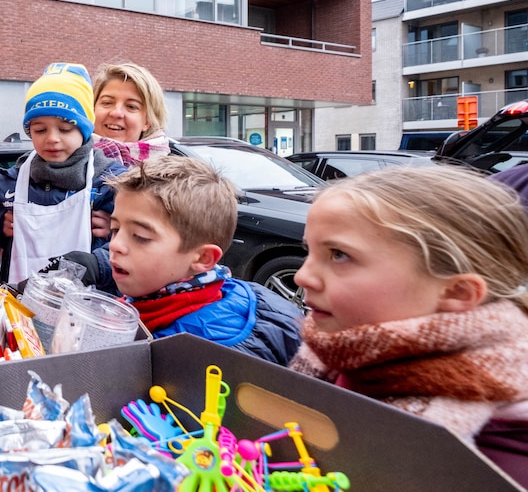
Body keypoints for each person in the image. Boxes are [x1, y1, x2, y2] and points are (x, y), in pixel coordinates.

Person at [291, 166, 528, 486]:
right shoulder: (342, 351)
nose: (302, 276)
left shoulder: (490, 459)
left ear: (456, 293)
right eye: (309, 251)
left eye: (339, 255)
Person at [95, 155, 302, 364]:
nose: (115, 245)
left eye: (140, 236)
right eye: (115, 229)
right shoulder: (149, 301)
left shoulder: (209, 353)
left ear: (203, 258)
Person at [0, 62, 126, 286]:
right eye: (39, 130)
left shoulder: (110, 182)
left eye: (65, 129)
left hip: (86, 311)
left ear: (85, 130)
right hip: (19, 311)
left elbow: (135, 249)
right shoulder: (12, 183)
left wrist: (104, 249)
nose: (52, 138)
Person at [5, 61, 170, 239]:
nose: (116, 113)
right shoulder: (36, 166)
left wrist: (120, 230)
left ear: (148, 120)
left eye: (131, 106)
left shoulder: (170, 178)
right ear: (89, 112)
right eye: (107, 102)